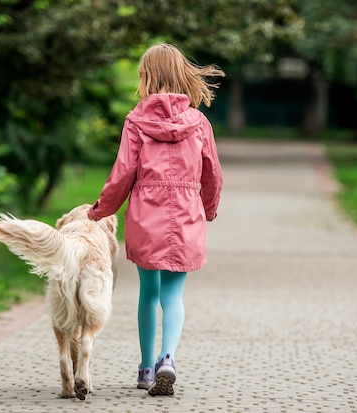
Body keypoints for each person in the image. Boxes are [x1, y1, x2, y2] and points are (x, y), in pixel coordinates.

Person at [87, 43, 224, 397]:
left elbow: (121, 175)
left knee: (148, 294)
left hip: (146, 215)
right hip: (186, 214)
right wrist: (207, 208)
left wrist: (99, 211)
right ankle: (169, 357)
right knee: (173, 295)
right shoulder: (199, 123)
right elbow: (212, 175)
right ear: (182, 75)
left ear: (147, 77)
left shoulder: (136, 122)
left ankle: (146, 369)